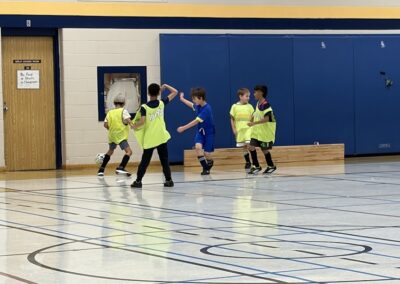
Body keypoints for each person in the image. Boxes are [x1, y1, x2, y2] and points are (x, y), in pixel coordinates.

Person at [130, 83, 178, 188]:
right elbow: (175, 92)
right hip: (161, 137)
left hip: (150, 138)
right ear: (159, 92)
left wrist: (134, 126)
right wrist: (165, 86)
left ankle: (138, 181)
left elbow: (142, 121)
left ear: (148, 93)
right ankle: (169, 180)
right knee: (164, 160)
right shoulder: (162, 103)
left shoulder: (144, 107)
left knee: (145, 161)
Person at [177, 87, 215, 175]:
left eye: (194, 99)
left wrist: (183, 128)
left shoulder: (207, 109)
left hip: (209, 133)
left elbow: (196, 121)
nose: (193, 100)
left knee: (207, 153)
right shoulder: (198, 106)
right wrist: (182, 99)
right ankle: (205, 168)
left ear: (201, 98)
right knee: (198, 147)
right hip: (200, 132)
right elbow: (191, 105)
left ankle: (210, 161)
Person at [98, 94, 133, 177]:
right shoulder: (123, 111)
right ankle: (121, 167)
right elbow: (129, 121)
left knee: (110, 151)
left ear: (114, 103)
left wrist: (112, 129)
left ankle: (101, 169)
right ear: (124, 103)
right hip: (121, 136)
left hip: (112, 136)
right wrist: (133, 125)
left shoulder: (110, 112)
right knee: (129, 152)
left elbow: (105, 125)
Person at [247, 85, 277, 174]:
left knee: (264, 150)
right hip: (257, 131)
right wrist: (252, 117)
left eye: (255, 92)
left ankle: (271, 166)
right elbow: (256, 112)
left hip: (265, 132)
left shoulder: (266, 104)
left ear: (261, 93)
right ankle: (256, 166)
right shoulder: (258, 103)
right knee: (250, 146)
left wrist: (253, 123)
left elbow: (267, 119)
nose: (254, 94)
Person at [229, 88, 254, 171]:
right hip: (240, 130)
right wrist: (233, 128)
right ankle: (247, 162)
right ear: (240, 96)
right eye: (246, 96)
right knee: (243, 146)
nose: (248, 98)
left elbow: (253, 117)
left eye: (249, 96)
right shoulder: (234, 106)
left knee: (249, 144)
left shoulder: (250, 106)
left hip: (248, 128)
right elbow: (232, 118)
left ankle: (254, 161)